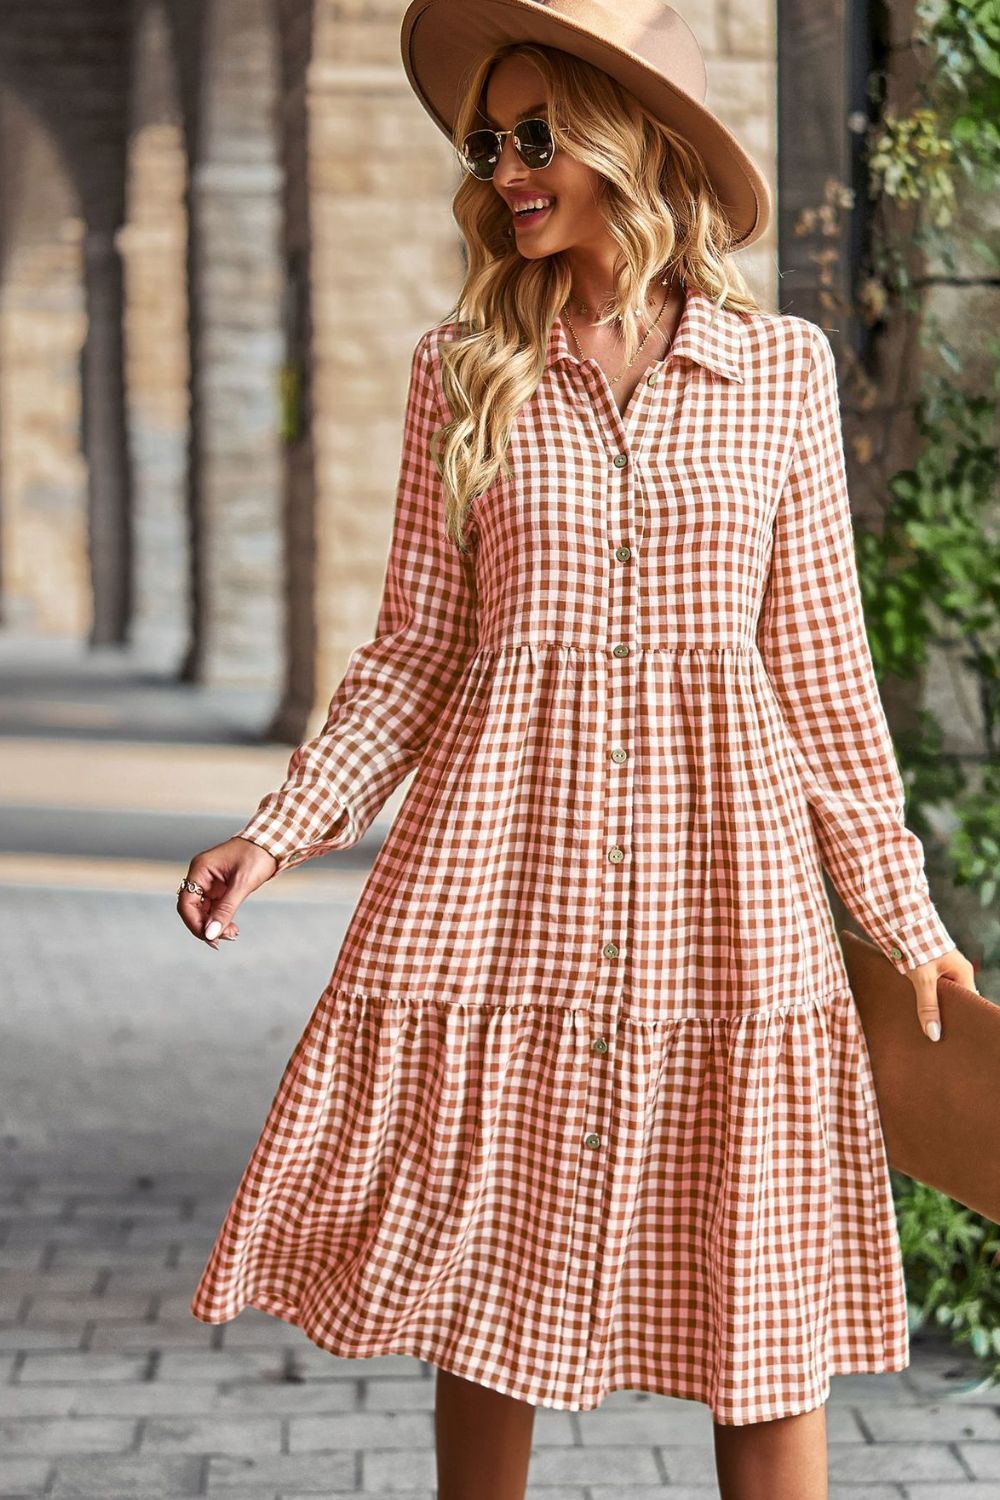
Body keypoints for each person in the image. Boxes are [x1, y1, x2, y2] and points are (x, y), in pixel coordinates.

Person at [179, 3, 978, 1497]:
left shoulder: (781, 372)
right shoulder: (462, 371)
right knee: (488, 1279)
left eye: (537, 136)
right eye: (490, 144)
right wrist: (278, 829)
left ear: (629, 137)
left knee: (758, 1308)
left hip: (725, 909)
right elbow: (416, 652)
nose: (505, 169)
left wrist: (905, 919)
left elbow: (821, 681)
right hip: (507, 893)